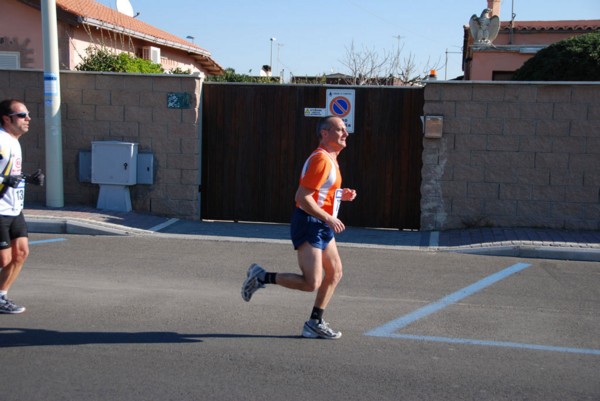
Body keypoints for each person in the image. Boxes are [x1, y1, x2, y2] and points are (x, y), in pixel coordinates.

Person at [241, 115, 357, 339]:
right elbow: (302, 197)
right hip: (309, 222)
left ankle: (315, 322)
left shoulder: (332, 159)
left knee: (335, 273)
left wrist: (341, 195)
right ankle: (261, 276)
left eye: (345, 130)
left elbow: (321, 192)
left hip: (321, 224)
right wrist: (330, 218)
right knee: (311, 282)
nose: (346, 134)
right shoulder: (321, 160)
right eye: (341, 129)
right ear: (325, 133)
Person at [0, 99, 44, 314]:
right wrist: (3, 179)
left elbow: (9, 174)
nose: (28, 119)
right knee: (4, 258)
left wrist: (28, 179)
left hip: (14, 208)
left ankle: (1, 297)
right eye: (22, 115)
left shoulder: (13, 140)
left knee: (21, 253)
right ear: (6, 119)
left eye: (27, 114)